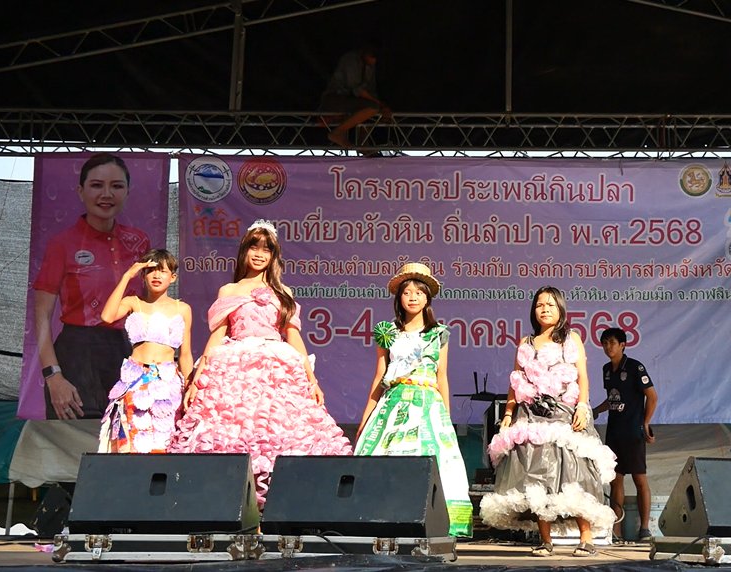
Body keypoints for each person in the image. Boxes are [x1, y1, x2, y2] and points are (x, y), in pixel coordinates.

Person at [168, 220, 351, 508]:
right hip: (235, 368)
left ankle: (277, 501)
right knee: (230, 429)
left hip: (276, 368)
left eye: (266, 249)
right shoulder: (229, 290)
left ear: (273, 256)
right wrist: (196, 378)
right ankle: (231, 500)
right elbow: (217, 336)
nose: (259, 254)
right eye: (254, 247)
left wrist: (312, 381)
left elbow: (294, 337)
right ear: (245, 251)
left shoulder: (283, 292)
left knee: (281, 430)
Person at [480, 286, 616, 558]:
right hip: (531, 414)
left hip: (564, 412)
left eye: (551, 305)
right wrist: (508, 414)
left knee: (574, 473)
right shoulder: (526, 342)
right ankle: (545, 540)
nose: (545, 309)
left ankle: (586, 538)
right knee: (536, 475)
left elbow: (582, 377)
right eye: (540, 305)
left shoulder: (571, 338)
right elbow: (515, 381)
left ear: (560, 309)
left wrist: (582, 406)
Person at [354, 262, 473, 537]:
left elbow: (442, 376)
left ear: (427, 298)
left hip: (427, 405)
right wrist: (366, 418)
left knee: (429, 460)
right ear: (399, 298)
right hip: (394, 404)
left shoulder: (438, 333)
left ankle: (429, 520)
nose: (412, 297)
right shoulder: (388, 332)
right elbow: (379, 377)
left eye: (419, 292)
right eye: (406, 292)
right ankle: (386, 517)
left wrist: (446, 418)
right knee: (389, 459)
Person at [33, 153, 151, 420]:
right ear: (81, 191)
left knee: (127, 438)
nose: (106, 194)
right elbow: (41, 316)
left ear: (127, 192)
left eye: (116, 186)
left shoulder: (139, 242)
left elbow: (147, 308)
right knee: (73, 441)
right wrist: (53, 376)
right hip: (76, 355)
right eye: (97, 185)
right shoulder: (62, 243)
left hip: (126, 353)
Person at [98, 249, 192, 453]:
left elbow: (185, 354)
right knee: (133, 436)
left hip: (168, 382)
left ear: (173, 277)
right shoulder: (133, 302)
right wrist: (127, 276)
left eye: (162, 271)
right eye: (150, 271)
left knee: (165, 437)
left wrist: (189, 386)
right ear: (143, 275)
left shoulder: (183, 308)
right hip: (136, 379)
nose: (156, 275)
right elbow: (107, 316)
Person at [592, 327, 657, 542]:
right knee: (615, 479)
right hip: (614, 431)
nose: (608, 347)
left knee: (639, 478)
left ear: (623, 345)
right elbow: (613, 398)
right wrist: (594, 411)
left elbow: (652, 396)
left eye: (612, 342)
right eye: (605, 343)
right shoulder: (606, 369)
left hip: (633, 430)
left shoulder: (635, 367)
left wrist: (645, 423)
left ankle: (645, 529)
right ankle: (616, 531)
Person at [320, 44, 392, 149]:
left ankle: (363, 144)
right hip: (336, 98)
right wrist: (380, 104)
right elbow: (356, 89)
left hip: (354, 100)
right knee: (372, 108)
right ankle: (338, 132)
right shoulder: (351, 60)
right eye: (373, 57)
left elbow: (370, 90)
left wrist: (382, 107)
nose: (374, 61)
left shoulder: (369, 66)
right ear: (366, 53)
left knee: (375, 110)